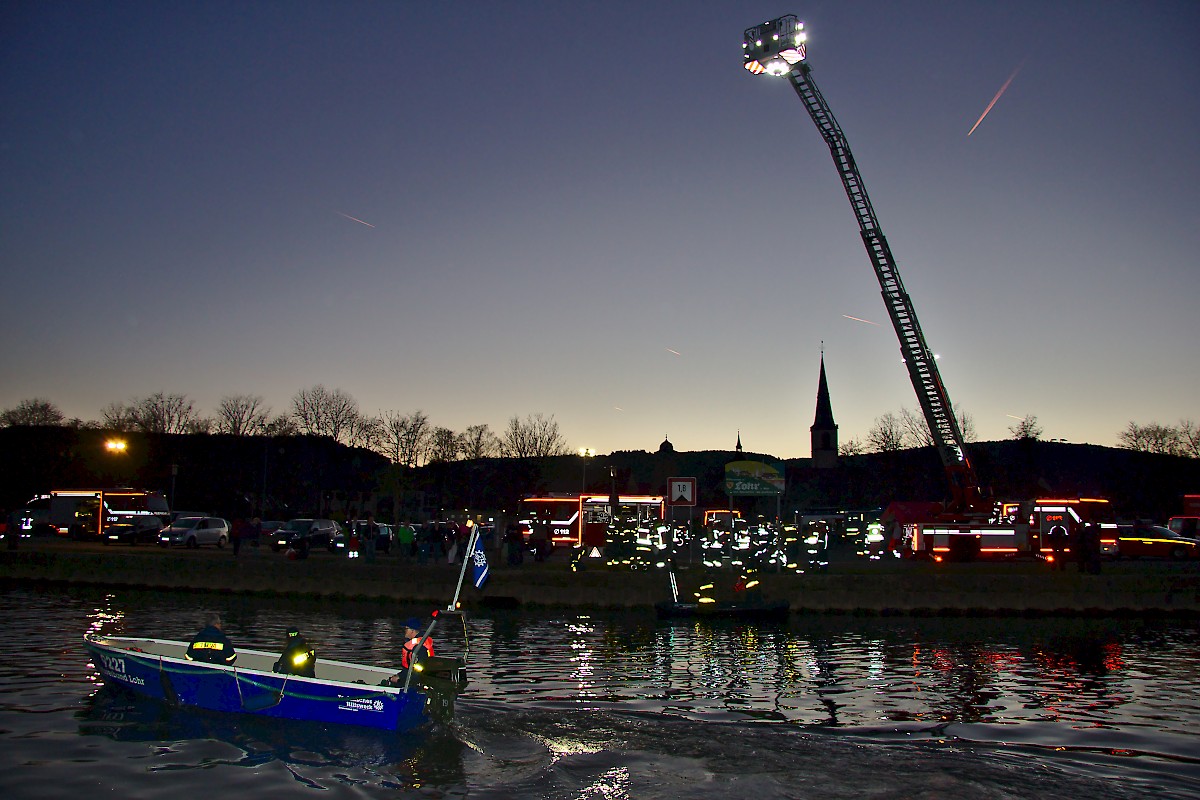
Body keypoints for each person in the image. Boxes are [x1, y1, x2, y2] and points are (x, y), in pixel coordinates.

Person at [383, 617, 436, 686]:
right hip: (413, 678)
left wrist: (400, 678)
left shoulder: (419, 648)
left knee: (387, 684)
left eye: (406, 628)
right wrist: (400, 675)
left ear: (412, 631)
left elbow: (417, 672)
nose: (404, 630)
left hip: (416, 682)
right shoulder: (417, 643)